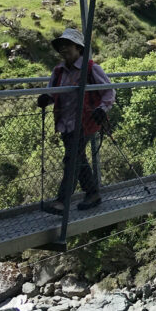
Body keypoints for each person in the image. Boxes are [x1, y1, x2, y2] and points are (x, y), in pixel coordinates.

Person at [36, 28, 115, 214]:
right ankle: (92, 193)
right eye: (61, 46)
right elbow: (52, 91)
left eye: (67, 45)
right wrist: (46, 98)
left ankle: (62, 201)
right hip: (65, 122)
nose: (63, 49)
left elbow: (109, 90)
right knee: (78, 158)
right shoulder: (58, 71)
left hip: (85, 121)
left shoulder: (91, 68)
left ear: (78, 48)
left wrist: (102, 109)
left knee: (71, 159)